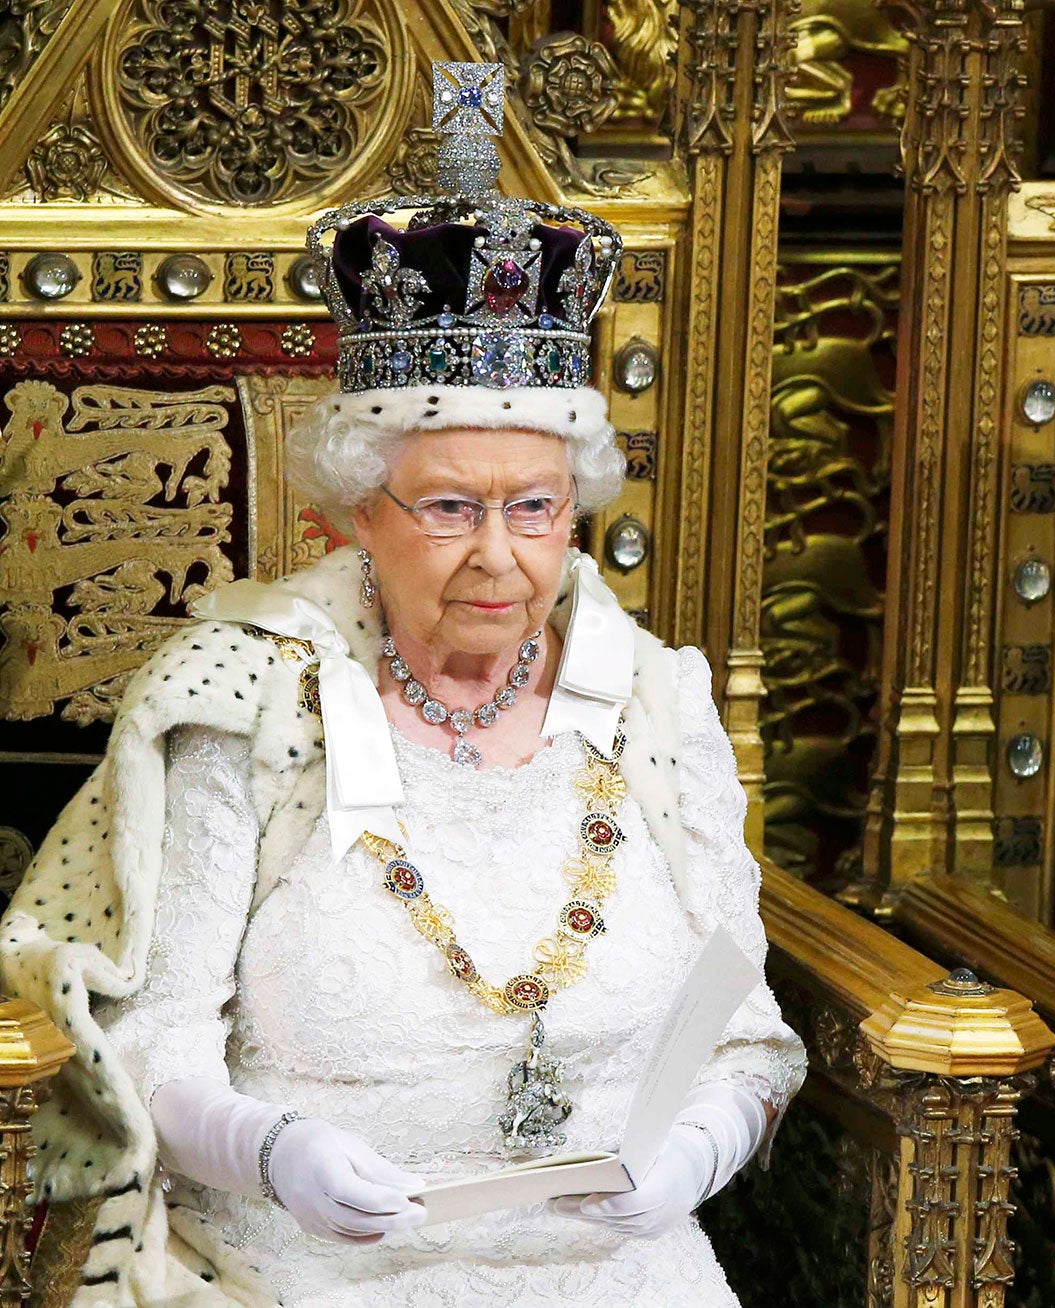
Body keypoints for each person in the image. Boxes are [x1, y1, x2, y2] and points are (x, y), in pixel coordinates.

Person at [0, 62, 803, 1307]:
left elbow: (745, 1028)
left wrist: (700, 1149)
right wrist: (272, 1153)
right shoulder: (243, 699)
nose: (499, 553)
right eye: (448, 506)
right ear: (360, 515)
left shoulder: (652, 703)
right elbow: (143, 1040)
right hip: (304, 1271)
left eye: (535, 508)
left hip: (622, 1269)